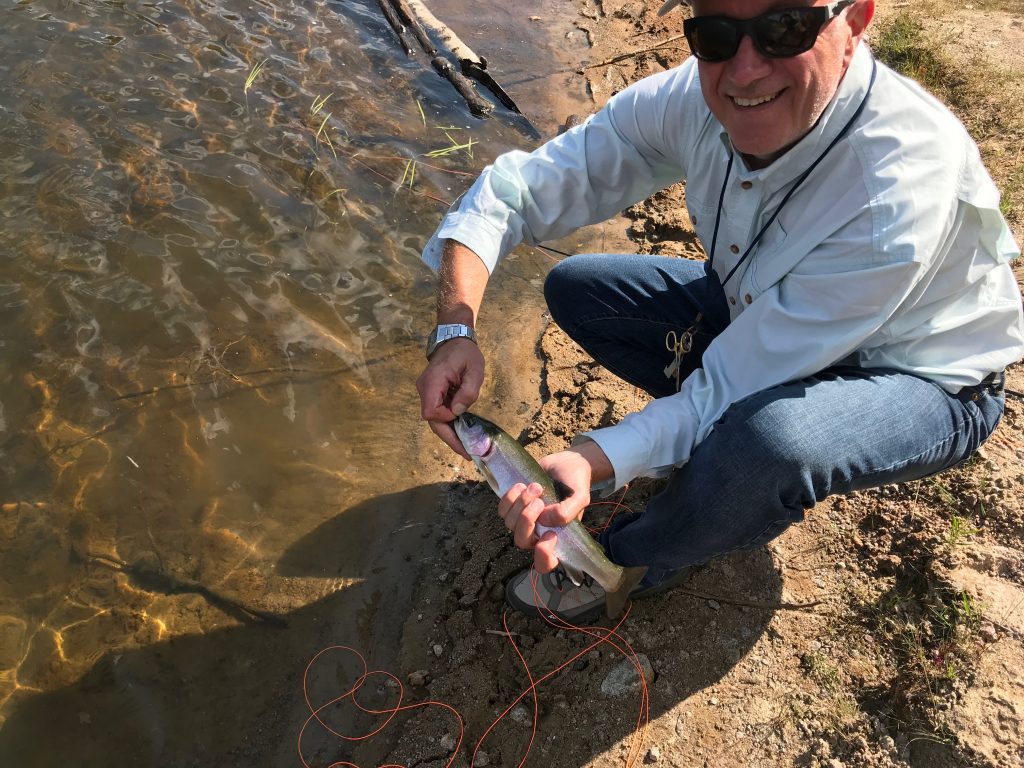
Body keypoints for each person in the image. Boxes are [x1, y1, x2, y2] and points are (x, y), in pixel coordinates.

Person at [415, 0, 1024, 622]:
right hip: (770, 317)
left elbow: (727, 391)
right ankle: (710, 471)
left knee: (769, 441)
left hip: (920, 374)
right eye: (716, 34)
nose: (745, 71)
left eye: (785, 28)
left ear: (857, 20)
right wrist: (455, 328)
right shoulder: (694, 96)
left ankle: (630, 562)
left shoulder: (893, 193)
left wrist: (594, 459)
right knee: (578, 287)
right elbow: (520, 190)